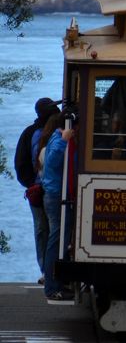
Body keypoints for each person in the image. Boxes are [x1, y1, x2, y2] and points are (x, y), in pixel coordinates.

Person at [13, 97, 60, 283]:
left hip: (41, 187)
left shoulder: (32, 133)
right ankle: (48, 270)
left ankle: (49, 270)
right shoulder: (32, 133)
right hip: (42, 188)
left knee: (43, 230)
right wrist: (31, 183)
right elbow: (21, 162)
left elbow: (20, 163)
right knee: (49, 229)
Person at [42, 113, 77, 302]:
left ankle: (57, 283)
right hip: (56, 196)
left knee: (59, 240)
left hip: (56, 194)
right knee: (56, 241)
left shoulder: (54, 138)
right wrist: (65, 140)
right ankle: (52, 287)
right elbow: (53, 161)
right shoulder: (58, 140)